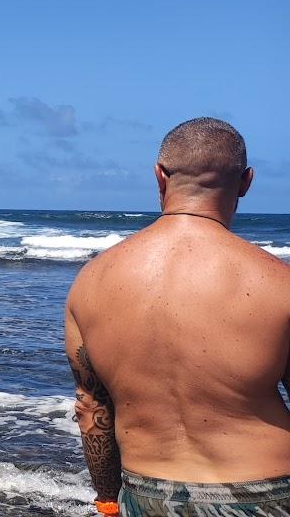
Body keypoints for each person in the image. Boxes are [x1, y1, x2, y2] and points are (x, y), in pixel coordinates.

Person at [66, 118, 290, 516]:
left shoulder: (92, 281)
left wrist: (107, 500)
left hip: (147, 494)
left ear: (159, 176)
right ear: (246, 182)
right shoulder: (277, 282)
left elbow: (91, 409)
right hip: (268, 493)